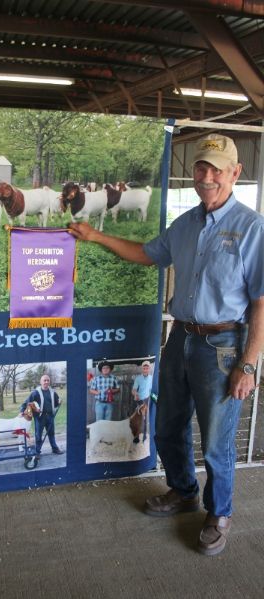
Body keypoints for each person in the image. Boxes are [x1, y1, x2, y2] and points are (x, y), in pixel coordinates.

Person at [69, 133, 264, 557]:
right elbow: (147, 254)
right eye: (201, 167)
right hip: (181, 338)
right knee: (168, 425)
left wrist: (248, 365)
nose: (207, 176)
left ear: (235, 172)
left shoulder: (252, 228)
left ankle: (220, 513)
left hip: (225, 345)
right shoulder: (186, 224)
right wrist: (95, 237)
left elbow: (261, 301)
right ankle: (182, 491)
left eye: (217, 169)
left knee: (215, 440)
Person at [20, 374, 63, 459]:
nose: (46, 382)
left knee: (51, 433)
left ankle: (54, 448)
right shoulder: (36, 392)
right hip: (40, 417)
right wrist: (22, 411)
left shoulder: (53, 392)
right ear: (41, 382)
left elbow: (56, 402)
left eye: (48, 380)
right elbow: (26, 402)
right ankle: (37, 452)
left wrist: (59, 401)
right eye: (44, 380)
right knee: (38, 435)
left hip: (50, 416)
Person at [131, 361, 153, 443]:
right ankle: (136, 437)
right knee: (137, 419)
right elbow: (133, 390)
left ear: (149, 369)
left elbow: (153, 390)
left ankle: (144, 437)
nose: (145, 369)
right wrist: (135, 394)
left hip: (148, 399)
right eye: (144, 368)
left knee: (146, 419)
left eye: (147, 368)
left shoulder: (152, 378)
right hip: (139, 400)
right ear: (142, 369)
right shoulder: (138, 378)